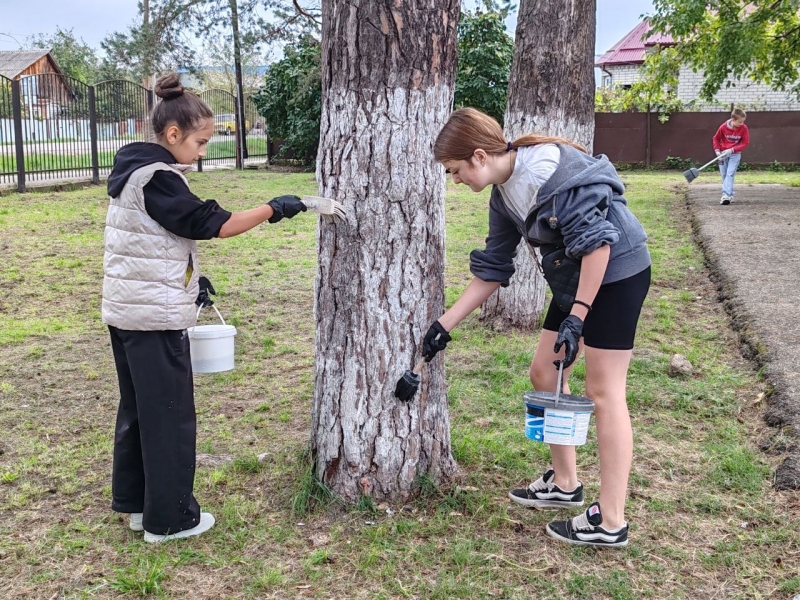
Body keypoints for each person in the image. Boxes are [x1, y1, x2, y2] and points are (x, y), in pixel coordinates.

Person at [423, 107, 651, 548]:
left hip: (616, 273)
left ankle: (611, 522)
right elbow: (493, 269)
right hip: (575, 279)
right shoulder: (503, 194)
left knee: (604, 391)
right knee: (545, 374)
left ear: (478, 157)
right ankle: (565, 483)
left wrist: (578, 316)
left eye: (454, 171)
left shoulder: (553, 173)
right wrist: (444, 324)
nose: (455, 180)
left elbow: (599, 245)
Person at [103, 73, 308, 543]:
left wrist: (189, 274)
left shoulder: (133, 170)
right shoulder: (158, 177)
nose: (201, 152)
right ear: (172, 135)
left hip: (127, 312)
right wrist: (272, 209)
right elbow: (209, 223)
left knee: (139, 409)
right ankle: (170, 519)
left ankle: (139, 505)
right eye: (199, 142)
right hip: (153, 319)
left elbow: (158, 239)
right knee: (170, 414)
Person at [713, 108, 750, 205]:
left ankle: (725, 195)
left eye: (743, 122)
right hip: (722, 154)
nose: (741, 124)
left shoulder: (744, 128)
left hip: (735, 154)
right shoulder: (723, 127)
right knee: (724, 175)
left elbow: (745, 143)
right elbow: (716, 139)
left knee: (730, 173)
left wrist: (732, 150)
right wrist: (717, 151)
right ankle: (730, 194)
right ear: (733, 120)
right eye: (739, 122)